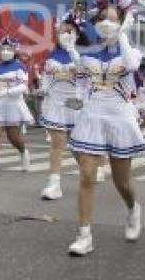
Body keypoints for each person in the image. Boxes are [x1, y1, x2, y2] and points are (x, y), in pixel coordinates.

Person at [67, 0, 145, 256]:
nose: (105, 23)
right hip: (91, 119)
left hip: (120, 120)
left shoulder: (130, 51)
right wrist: (71, 112)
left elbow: (132, 65)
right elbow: (79, 90)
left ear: (123, 22)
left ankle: (133, 208)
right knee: (87, 175)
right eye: (101, 18)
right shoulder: (86, 54)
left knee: (122, 183)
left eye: (112, 18)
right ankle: (84, 235)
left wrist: (123, 33)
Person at [39, 10, 86, 200]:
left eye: (69, 31)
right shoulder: (52, 56)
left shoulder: (83, 54)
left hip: (76, 103)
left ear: (77, 34)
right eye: (62, 32)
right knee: (57, 144)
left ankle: (89, 170)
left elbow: (85, 72)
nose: (65, 35)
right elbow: (47, 77)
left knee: (76, 146)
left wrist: (72, 50)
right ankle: (54, 184)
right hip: (57, 102)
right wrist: (43, 89)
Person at [0, 36, 33, 176]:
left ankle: (23, 151)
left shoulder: (20, 67)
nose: (5, 51)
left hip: (12, 103)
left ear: (14, 50)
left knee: (13, 136)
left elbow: (23, 86)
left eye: (8, 49)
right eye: (3, 49)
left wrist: (7, 91)